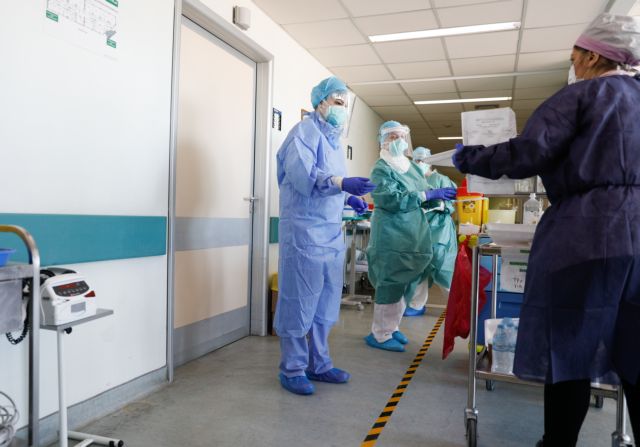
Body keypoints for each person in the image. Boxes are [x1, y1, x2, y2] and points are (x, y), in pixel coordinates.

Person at [452, 13, 640, 446]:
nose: (573, 66)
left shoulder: (580, 97)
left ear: (591, 56)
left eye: (574, 57)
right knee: (638, 352)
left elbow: (528, 152)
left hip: (587, 234)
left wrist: (470, 158)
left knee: (567, 349)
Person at [274, 76, 376, 395]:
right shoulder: (303, 133)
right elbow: (305, 178)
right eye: (338, 102)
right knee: (299, 301)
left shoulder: (333, 143)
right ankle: (292, 369)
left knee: (326, 303)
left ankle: (319, 364)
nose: (342, 109)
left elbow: (330, 185)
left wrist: (348, 198)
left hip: (331, 235)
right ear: (321, 102)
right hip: (303, 234)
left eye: (345, 104)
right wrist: (342, 185)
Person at [364, 122, 456, 352]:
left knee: (407, 282)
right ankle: (380, 334)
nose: (398, 141)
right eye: (392, 136)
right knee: (390, 282)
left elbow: (421, 194)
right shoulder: (381, 168)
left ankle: (392, 326)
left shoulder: (411, 167)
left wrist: (437, 200)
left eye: (401, 136)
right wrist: (425, 195)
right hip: (391, 234)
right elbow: (390, 199)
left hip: (413, 233)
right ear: (382, 140)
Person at [404, 147, 458, 317]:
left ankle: (456, 307)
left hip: (440, 229)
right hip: (419, 229)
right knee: (418, 267)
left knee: (442, 266)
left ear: (430, 162)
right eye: (416, 161)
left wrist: (440, 205)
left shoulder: (442, 179)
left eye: (422, 161)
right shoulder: (413, 181)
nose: (419, 164)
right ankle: (416, 304)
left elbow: (453, 202)